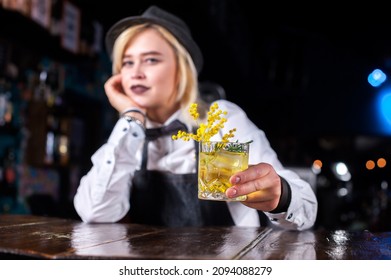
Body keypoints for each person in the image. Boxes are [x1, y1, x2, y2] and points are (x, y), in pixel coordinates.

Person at [73, 5, 318, 230]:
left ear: (181, 69)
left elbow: (307, 207)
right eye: (127, 63)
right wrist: (131, 118)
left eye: (151, 60)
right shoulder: (127, 135)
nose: (135, 73)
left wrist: (280, 195)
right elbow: (95, 213)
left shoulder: (220, 119)